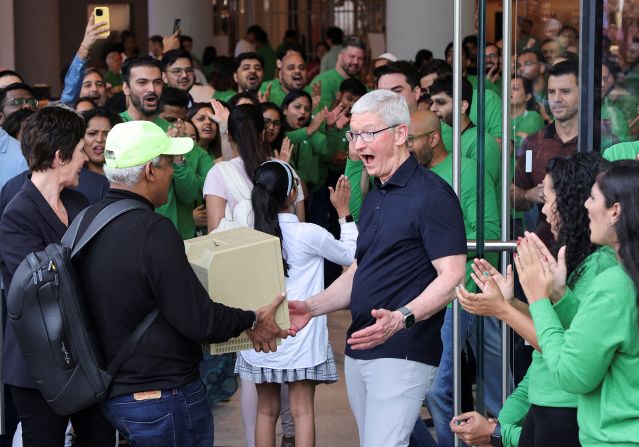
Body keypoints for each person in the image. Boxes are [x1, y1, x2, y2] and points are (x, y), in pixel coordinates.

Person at [71, 119, 287, 446]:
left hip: (112, 393)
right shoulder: (153, 230)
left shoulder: (85, 221)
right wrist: (254, 318)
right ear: (149, 171)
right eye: (170, 164)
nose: (173, 173)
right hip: (162, 396)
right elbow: (199, 320)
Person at [287, 90, 467, 447]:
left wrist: (401, 317)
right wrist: (311, 307)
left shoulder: (432, 195)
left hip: (403, 350)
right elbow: (359, 271)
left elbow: (452, 276)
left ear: (400, 134)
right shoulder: (374, 195)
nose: (357, 146)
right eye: (353, 135)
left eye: (369, 133)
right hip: (361, 348)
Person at [453, 152, 615, 447]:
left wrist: (505, 310)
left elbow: (567, 351)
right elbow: (551, 341)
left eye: (550, 199)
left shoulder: (602, 267)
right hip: (548, 408)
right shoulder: (579, 261)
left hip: (569, 412)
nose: (544, 211)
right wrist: (511, 302)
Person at [0, 106, 116, 447]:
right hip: (38, 365)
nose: (87, 158)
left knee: (100, 439)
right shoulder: (17, 214)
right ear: (60, 156)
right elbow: (41, 288)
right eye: (81, 150)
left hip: (85, 353)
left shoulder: (79, 201)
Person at [515, 160, 639, 445]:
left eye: (593, 197)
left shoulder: (614, 283)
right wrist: (560, 296)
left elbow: (571, 374)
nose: (584, 206)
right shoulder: (623, 279)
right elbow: (601, 335)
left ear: (616, 211)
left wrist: (539, 301)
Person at [237, 162, 356, 447]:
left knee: (266, 412)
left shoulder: (248, 235)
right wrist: (343, 214)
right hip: (302, 339)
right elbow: (351, 255)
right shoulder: (309, 234)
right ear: (292, 194)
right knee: (303, 413)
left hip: (262, 338)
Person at [406, 110, 502, 447]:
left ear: (433, 139)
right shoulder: (409, 176)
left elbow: (489, 235)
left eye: (411, 140)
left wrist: (435, 250)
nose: (405, 147)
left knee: (438, 389)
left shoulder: (465, 172)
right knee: (407, 392)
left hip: (459, 294)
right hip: (417, 296)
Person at [513, 60, 579, 248]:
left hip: (593, 252)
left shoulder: (600, 137)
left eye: (565, 91)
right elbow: (513, 195)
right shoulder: (533, 144)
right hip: (545, 250)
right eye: (551, 92)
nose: (556, 99)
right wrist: (529, 195)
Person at [59, 16, 109, 107]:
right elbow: (69, 94)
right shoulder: (72, 119)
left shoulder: (115, 119)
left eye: (100, 84)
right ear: (77, 90)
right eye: (87, 85)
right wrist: (85, 47)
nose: (95, 89)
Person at [309, 36, 365, 111]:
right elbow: (320, 119)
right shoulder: (323, 81)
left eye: (360, 58)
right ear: (340, 56)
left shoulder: (359, 82)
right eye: (352, 56)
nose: (356, 62)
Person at [119, 56, 171, 131]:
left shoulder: (171, 132)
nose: (152, 89)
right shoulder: (111, 126)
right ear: (126, 88)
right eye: (142, 82)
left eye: (157, 82)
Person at [81, 107, 121, 176]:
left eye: (107, 134)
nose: (99, 139)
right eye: (92, 133)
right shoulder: (71, 178)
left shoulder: (127, 176)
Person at [511, 76, 545, 151]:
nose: (509, 91)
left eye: (515, 88)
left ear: (527, 96)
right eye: (506, 87)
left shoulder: (533, 117)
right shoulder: (499, 117)